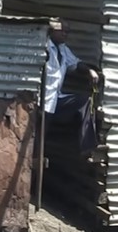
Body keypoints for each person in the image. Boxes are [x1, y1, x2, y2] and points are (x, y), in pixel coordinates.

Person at [44, 19, 100, 154]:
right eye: (62, 31)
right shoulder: (43, 47)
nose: (65, 34)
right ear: (52, 30)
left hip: (56, 100)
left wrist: (89, 71)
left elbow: (75, 64)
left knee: (83, 101)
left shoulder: (62, 49)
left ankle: (86, 148)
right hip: (42, 101)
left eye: (67, 32)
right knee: (39, 136)